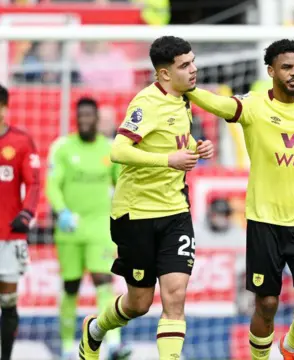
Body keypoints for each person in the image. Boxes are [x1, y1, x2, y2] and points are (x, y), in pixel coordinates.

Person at [186, 39, 294, 360]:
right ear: (271, 71)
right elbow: (218, 104)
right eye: (287, 67)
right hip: (264, 223)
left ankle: (290, 346)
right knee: (267, 304)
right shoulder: (255, 106)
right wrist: (186, 88)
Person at [78, 36, 215, 360]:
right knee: (139, 304)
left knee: (175, 296)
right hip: (135, 215)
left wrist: (197, 148)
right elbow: (118, 150)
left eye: (193, 61)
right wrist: (170, 160)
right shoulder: (146, 103)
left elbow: (172, 140)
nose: (193, 69)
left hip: (176, 212)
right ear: (164, 74)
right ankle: (95, 330)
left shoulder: (184, 99)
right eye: (185, 65)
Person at [46, 98, 130, 360]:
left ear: (97, 119)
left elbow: (123, 185)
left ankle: (113, 343)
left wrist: (124, 218)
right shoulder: (62, 148)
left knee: (103, 282)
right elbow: (52, 185)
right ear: (76, 118)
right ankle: (67, 345)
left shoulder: (109, 150)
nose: (84, 120)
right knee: (70, 286)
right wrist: (62, 212)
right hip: (69, 230)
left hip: (100, 228)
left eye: (89, 116)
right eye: (80, 115)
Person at [0, 84, 40, 360]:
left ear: (4, 108)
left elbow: (34, 183)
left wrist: (27, 213)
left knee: (8, 302)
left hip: (9, 237)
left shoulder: (21, 142)